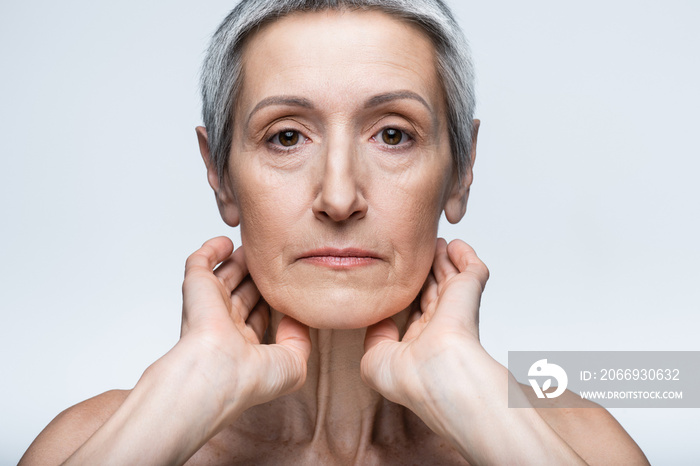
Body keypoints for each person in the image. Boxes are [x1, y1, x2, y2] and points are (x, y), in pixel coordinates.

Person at [20, 0, 649, 464]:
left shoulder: (579, 444)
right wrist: (181, 398)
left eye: (394, 134)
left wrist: (481, 404)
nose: (340, 197)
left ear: (461, 171)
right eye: (287, 136)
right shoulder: (91, 446)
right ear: (220, 176)